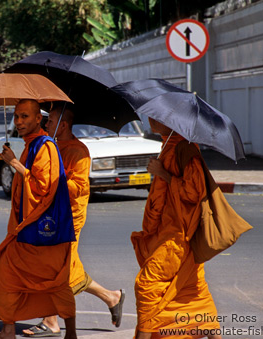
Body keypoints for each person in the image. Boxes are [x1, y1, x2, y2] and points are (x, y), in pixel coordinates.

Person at [22, 104, 125, 338]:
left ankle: (52, 321)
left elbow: (78, 188)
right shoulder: (52, 146)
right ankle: (111, 297)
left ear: (63, 125)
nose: (45, 125)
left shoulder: (78, 151)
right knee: (60, 267)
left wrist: (54, 176)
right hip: (51, 216)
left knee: (59, 269)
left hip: (69, 218)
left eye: (49, 121)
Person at [0, 99, 77, 339]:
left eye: (25, 116)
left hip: (41, 231)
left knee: (55, 282)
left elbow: (43, 188)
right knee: (8, 277)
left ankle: (72, 333)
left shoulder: (44, 147)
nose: (19, 122)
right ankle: (7, 330)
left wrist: (14, 162)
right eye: (16, 116)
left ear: (39, 119)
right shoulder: (31, 145)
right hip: (26, 229)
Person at [131, 118, 221, 339]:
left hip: (178, 235)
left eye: (156, 116)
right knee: (192, 289)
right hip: (167, 229)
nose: (150, 120)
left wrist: (163, 174)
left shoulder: (185, 149)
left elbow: (193, 192)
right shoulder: (169, 145)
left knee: (147, 286)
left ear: (171, 121)